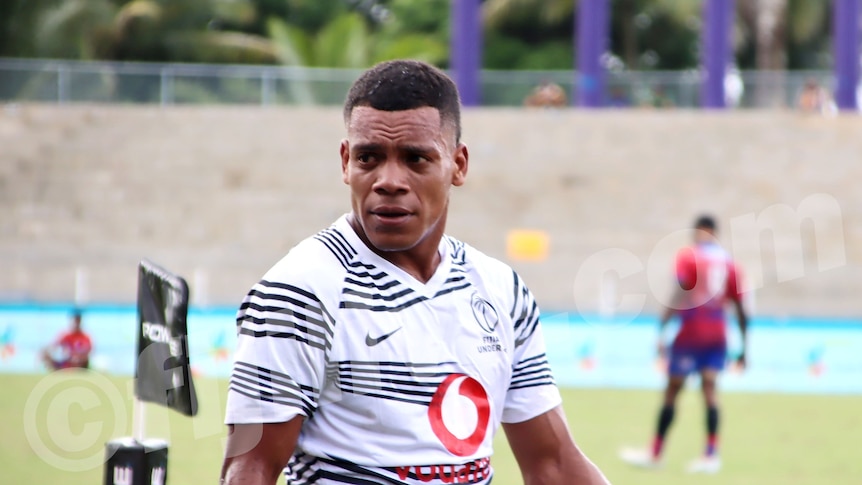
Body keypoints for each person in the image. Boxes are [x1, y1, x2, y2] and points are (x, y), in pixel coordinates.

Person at [220, 59, 610, 485]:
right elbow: (250, 468)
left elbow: (552, 463)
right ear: (346, 161)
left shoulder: (501, 289)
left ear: (458, 165)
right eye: (369, 157)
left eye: (415, 159)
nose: (389, 180)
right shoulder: (298, 294)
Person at [620, 215, 748, 474]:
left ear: (701, 231)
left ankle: (655, 453)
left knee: (673, 390)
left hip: (692, 330)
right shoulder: (730, 264)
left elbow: (681, 291)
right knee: (710, 391)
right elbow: (740, 307)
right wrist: (745, 347)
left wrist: (663, 326)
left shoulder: (689, 257)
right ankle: (711, 455)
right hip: (718, 332)